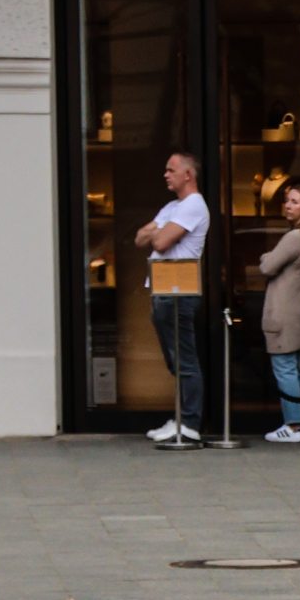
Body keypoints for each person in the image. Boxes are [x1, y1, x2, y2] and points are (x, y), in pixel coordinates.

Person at [132, 151, 209, 443]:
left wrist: (158, 231)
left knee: (185, 360)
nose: (166, 175)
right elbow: (140, 237)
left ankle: (189, 422)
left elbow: (161, 242)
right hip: (162, 291)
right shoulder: (172, 207)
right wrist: (158, 230)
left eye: (171, 170)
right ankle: (180, 418)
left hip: (179, 292)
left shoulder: (193, 206)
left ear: (188, 174)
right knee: (175, 361)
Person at [256, 183, 300, 443]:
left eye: (294, 201)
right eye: (287, 200)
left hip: (282, 314)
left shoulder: (294, 238)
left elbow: (268, 266)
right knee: (297, 369)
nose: (287, 205)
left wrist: (266, 256)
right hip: (298, 314)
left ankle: (293, 426)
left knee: (285, 369)